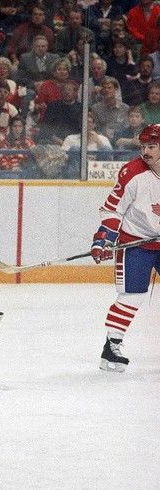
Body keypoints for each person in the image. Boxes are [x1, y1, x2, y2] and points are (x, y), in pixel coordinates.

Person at [90, 124, 160, 372]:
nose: (145, 151)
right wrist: (104, 238)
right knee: (132, 297)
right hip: (135, 242)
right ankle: (112, 347)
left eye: (151, 146)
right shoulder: (132, 173)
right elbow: (112, 208)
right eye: (143, 146)